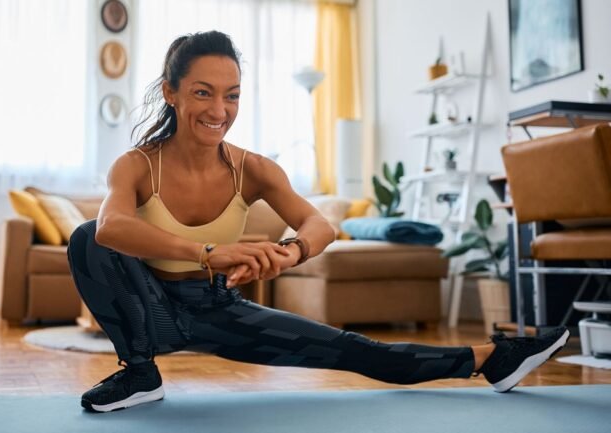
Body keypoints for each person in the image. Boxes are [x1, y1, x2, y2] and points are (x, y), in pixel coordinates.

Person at [67, 30, 569, 413]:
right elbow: (109, 229)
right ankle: (139, 373)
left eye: (232, 95)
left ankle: (493, 358)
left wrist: (288, 252)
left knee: (355, 350)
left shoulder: (254, 169)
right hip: (147, 302)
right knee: (86, 237)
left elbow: (319, 225)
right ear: (171, 92)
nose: (220, 110)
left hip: (216, 306)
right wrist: (208, 253)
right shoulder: (137, 164)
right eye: (203, 93)